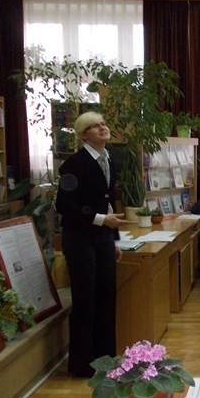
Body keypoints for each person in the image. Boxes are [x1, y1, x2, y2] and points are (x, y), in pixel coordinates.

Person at [55, 111, 126, 377]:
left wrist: (114, 240)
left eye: (104, 124)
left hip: (103, 238)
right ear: (84, 134)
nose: (102, 128)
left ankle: (106, 360)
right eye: (95, 127)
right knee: (86, 300)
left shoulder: (109, 159)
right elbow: (63, 204)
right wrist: (99, 220)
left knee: (108, 295)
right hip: (80, 238)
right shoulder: (74, 163)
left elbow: (108, 202)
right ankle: (82, 365)